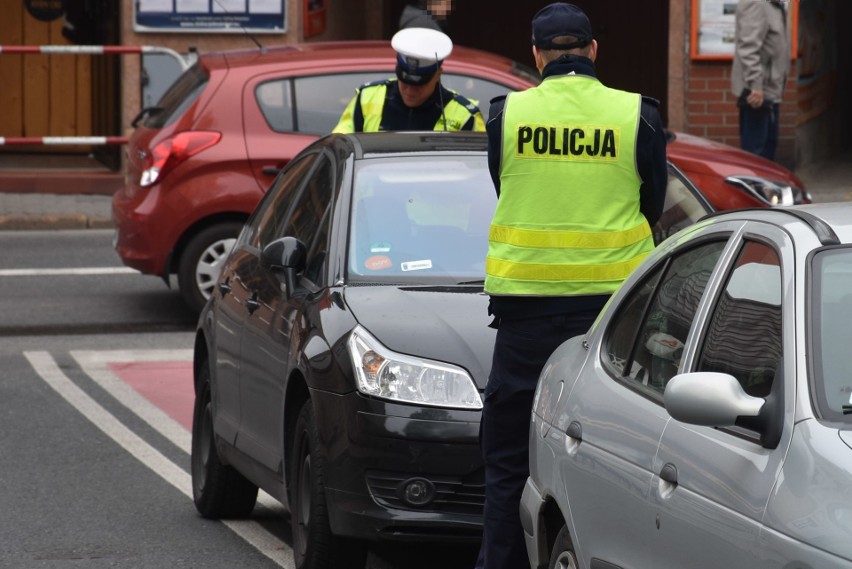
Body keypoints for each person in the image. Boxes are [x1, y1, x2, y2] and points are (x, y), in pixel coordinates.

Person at [476, 3, 668, 569]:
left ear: (536, 56)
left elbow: (504, 186)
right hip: (614, 321)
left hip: (524, 319)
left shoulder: (504, 115)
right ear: (592, 51)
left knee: (509, 463)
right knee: (615, 464)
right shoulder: (638, 115)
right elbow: (651, 206)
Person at [332, 27, 484, 133]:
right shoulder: (367, 97)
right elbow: (341, 145)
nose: (410, 90)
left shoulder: (465, 116)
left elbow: (479, 168)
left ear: (438, 74)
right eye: (404, 81)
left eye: (419, 84)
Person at [731, 0, 789, 161]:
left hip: (770, 91)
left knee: (768, 151)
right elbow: (748, 49)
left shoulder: (774, 6)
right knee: (755, 156)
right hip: (758, 94)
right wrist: (755, 85)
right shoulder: (757, 3)